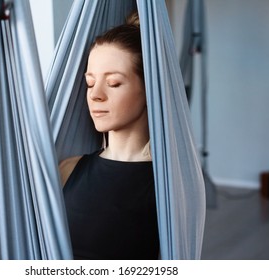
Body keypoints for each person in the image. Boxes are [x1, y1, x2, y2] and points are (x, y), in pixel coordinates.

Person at [59, 11, 159, 260]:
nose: (95, 95)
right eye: (90, 83)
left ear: (150, 89)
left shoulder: (165, 186)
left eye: (113, 83)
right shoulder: (68, 169)